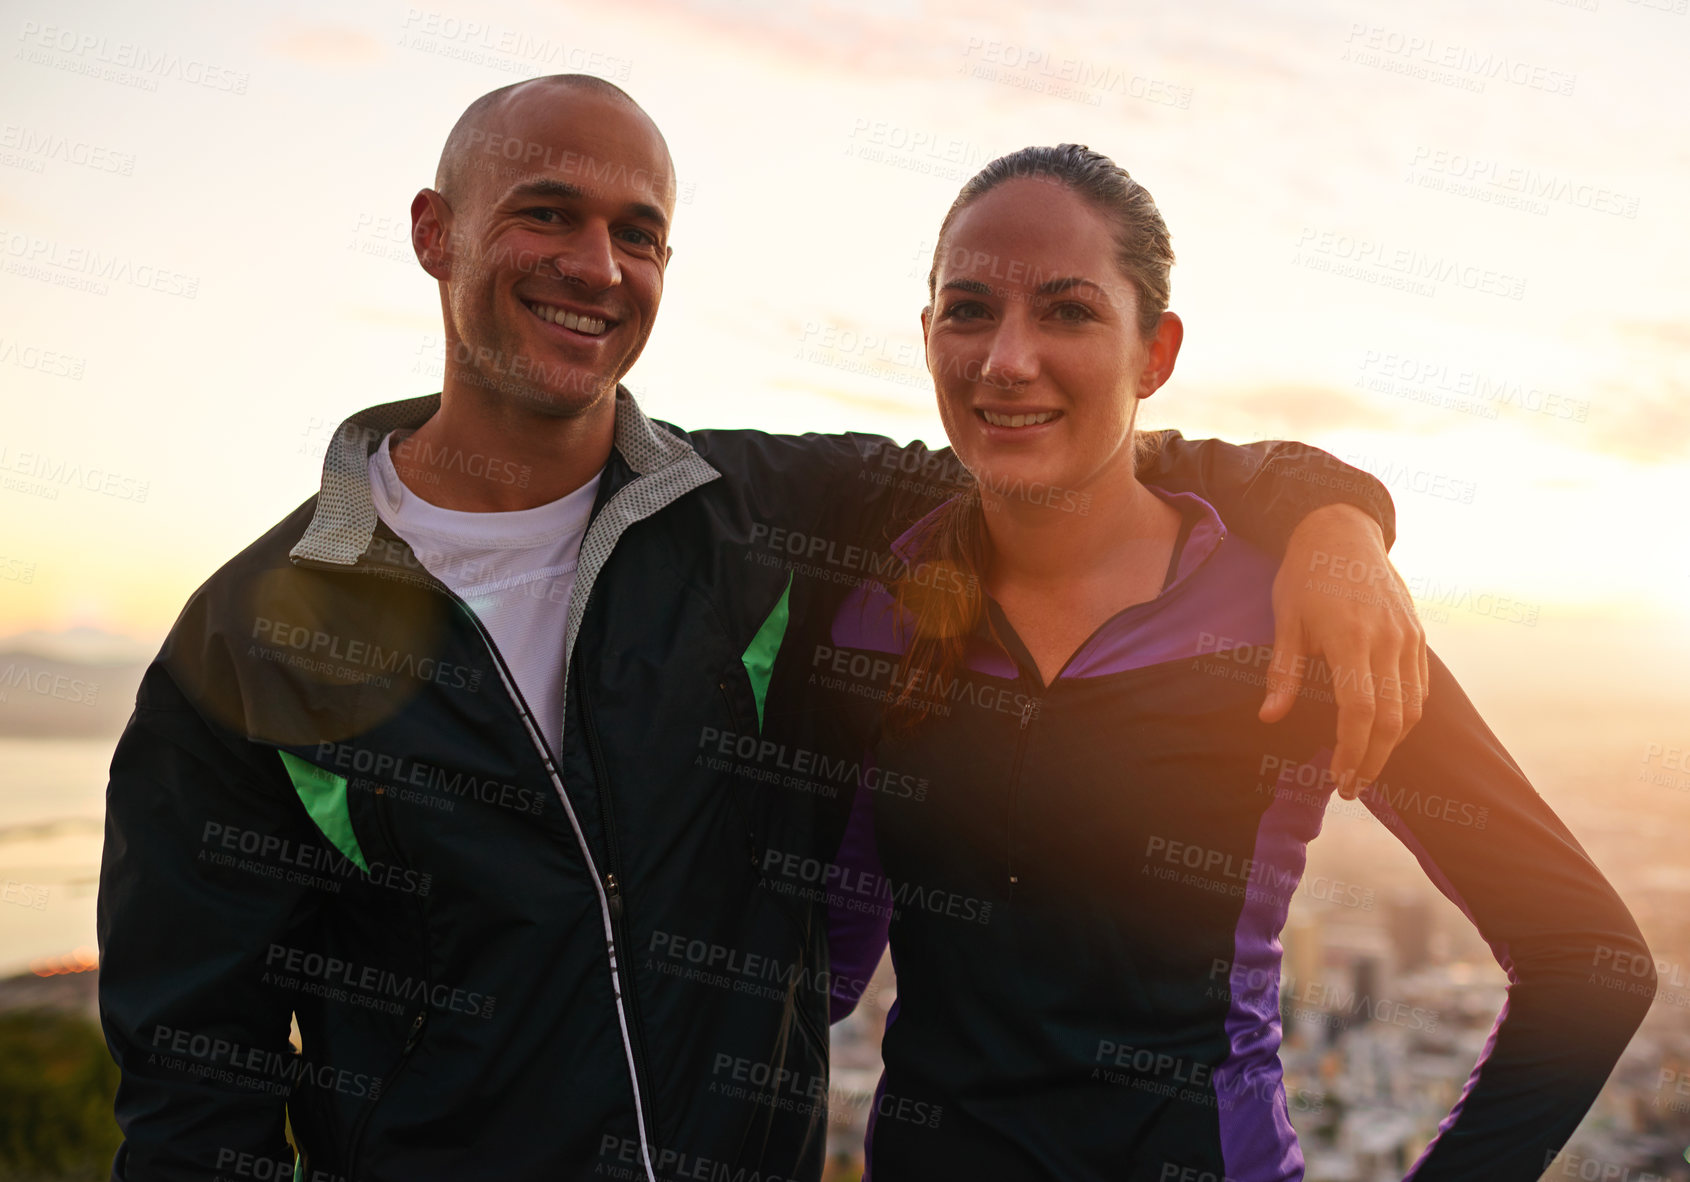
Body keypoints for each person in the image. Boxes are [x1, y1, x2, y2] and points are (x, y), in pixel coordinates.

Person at [96, 79, 1423, 1181]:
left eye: (638, 231)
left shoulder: (772, 519)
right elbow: (189, 1097)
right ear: (436, 232)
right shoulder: (246, 640)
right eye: (544, 214)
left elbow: (1080, 460)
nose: (593, 266)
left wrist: (1335, 522)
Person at [821, 144, 1654, 1182]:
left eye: (1070, 312)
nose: (1005, 359)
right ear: (929, 335)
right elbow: (812, 977)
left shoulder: (1293, 610)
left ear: (1154, 354)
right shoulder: (877, 607)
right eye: (968, 309)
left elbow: (1590, 960)